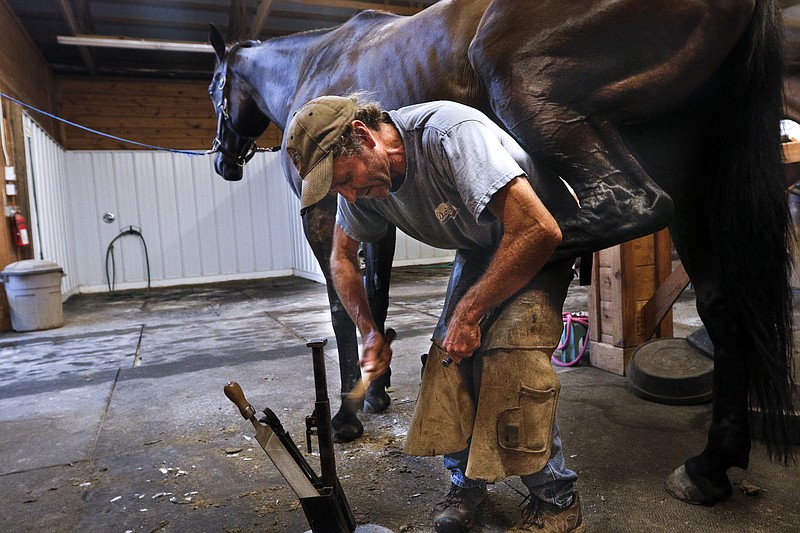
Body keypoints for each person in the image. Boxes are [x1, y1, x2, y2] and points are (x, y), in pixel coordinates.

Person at [285, 94, 585, 533]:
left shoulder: (448, 135)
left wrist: (469, 313)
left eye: (347, 179)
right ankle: (467, 486)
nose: (349, 195)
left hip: (539, 239)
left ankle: (557, 501)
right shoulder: (360, 186)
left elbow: (539, 229)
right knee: (448, 362)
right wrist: (368, 332)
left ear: (362, 135)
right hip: (481, 245)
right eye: (337, 190)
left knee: (510, 361)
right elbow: (341, 260)